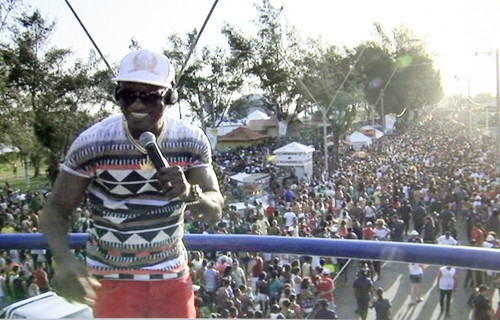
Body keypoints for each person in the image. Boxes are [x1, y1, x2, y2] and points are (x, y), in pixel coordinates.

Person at [40, 48, 224, 318]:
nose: (137, 105)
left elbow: (215, 209)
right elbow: (55, 210)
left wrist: (190, 193)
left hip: (172, 276)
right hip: (111, 280)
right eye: (128, 95)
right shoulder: (92, 143)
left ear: (170, 96)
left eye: (150, 96)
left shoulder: (192, 141)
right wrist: (65, 261)